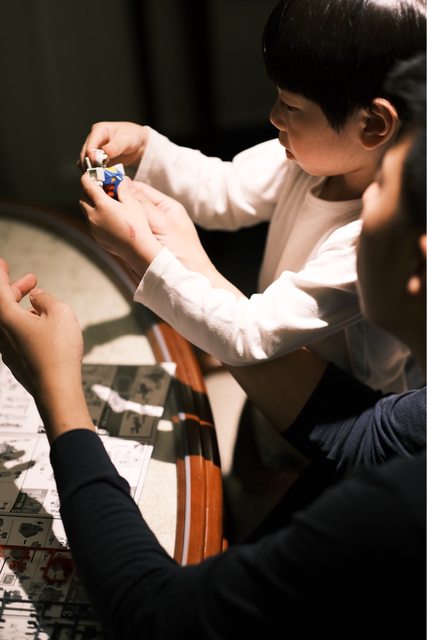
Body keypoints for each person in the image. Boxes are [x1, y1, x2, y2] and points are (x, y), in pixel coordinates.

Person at [0, 54, 425, 638]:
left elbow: (157, 617)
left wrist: (55, 386)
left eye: (384, 192)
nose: (361, 202)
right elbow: (367, 435)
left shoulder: (391, 513)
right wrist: (171, 249)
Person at [79, 0, 425, 400]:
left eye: (291, 106)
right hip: (270, 371)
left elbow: (249, 333)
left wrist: (140, 251)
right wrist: (146, 148)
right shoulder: (306, 160)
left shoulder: (371, 243)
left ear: (373, 124)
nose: (274, 116)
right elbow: (224, 190)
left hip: (327, 415)